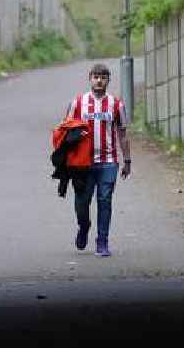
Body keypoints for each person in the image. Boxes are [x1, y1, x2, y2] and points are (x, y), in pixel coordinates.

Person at [64, 63, 131, 257]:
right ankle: (84, 226)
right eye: (96, 76)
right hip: (82, 164)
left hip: (108, 161)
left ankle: (102, 241)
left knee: (105, 200)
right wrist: (66, 162)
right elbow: (66, 132)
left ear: (109, 80)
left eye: (103, 76)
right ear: (90, 78)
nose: (99, 80)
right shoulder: (77, 103)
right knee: (82, 202)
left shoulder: (117, 104)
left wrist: (127, 160)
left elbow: (123, 133)